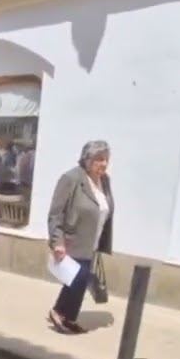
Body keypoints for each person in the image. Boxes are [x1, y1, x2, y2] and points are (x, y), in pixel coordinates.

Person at [47, 140, 114, 334]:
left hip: (92, 240)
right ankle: (59, 312)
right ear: (87, 159)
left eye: (106, 159)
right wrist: (57, 241)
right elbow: (56, 213)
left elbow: (104, 208)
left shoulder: (105, 181)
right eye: (99, 159)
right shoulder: (71, 178)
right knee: (79, 277)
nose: (103, 164)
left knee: (79, 280)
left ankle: (67, 317)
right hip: (72, 239)